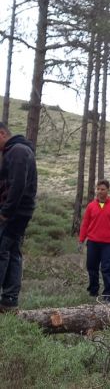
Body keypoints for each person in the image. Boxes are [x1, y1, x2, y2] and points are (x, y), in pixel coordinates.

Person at [0, 122, 37, 312]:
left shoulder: (17, 152)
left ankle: (9, 298)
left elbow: (17, 186)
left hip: (14, 214)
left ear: (2, 133)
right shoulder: (17, 151)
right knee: (12, 252)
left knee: (3, 251)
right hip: (19, 212)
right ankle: (9, 301)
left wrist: (5, 212)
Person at [78, 180, 110, 303]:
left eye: (102, 189)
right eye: (98, 189)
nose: (99, 191)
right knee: (91, 267)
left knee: (107, 268)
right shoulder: (91, 206)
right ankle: (93, 291)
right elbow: (85, 224)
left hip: (108, 244)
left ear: (108, 190)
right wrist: (81, 240)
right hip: (92, 242)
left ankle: (108, 294)